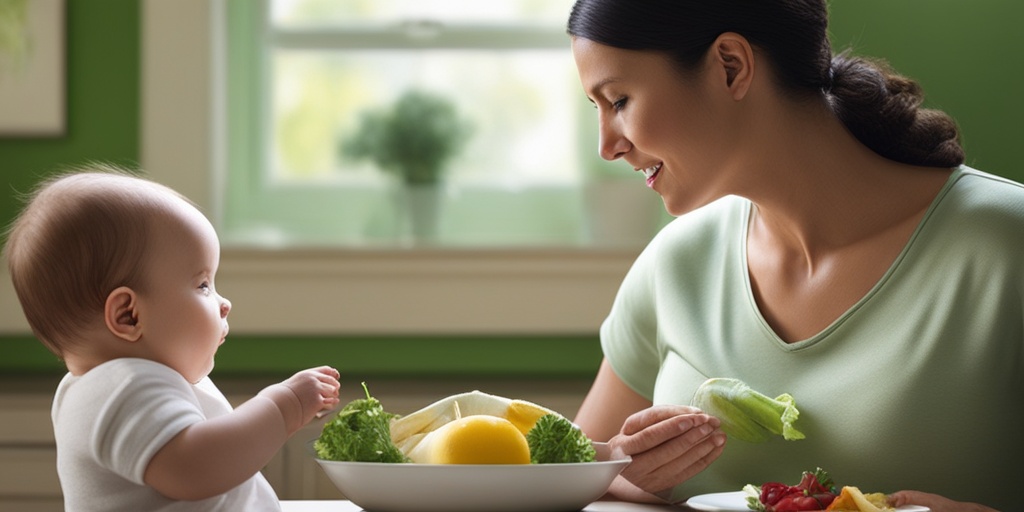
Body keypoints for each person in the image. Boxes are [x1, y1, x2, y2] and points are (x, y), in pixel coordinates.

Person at [566, 1, 1022, 511]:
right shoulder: (676, 263)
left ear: (730, 66)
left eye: (620, 100)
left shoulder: (1007, 245)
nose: (607, 146)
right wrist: (629, 472)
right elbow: (567, 482)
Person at [3, 166, 342, 511]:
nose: (224, 304)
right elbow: (198, 467)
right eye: (203, 285)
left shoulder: (120, 384)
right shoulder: (119, 388)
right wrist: (282, 406)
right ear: (128, 315)